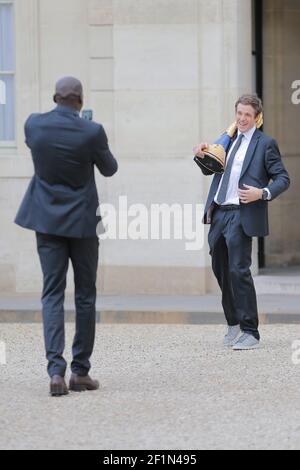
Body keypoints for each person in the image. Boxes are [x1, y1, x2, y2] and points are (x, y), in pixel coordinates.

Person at [15, 77, 118, 396]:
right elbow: (109, 168)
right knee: (85, 295)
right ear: (80, 101)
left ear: (55, 97)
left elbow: (39, 149)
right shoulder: (91, 131)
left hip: (46, 219)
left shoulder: (34, 124)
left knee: (52, 294)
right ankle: (80, 371)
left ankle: (55, 373)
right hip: (83, 222)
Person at [194, 94, 290, 350]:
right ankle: (233, 323)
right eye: (239, 113)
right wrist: (200, 154)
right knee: (221, 269)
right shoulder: (228, 140)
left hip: (242, 213)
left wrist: (263, 193)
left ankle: (251, 331)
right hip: (219, 213)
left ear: (257, 117)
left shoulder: (265, 144)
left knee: (239, 270)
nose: (242, 119)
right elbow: (209, 169)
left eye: (248, 115)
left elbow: (283, 177)